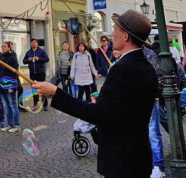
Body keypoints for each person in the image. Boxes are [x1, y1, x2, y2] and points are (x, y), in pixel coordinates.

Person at [33, 10, 158, 178]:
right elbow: (126, 107)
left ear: (126, 36)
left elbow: (99, 115)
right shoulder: (146, 67)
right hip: (139, 156)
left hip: (122, 160)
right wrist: (104, 99)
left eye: (115, 30)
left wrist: (56, 93)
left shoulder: (122, 69)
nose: (112, 34)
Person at [143, 45, 166, 178]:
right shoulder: (127, 54)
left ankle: (158, 166)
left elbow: (159, 78)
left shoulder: (149, 54)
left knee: (153, 133)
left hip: (149, 99)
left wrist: (152, 95)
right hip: (135, 100)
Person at [0, 42, 20, 132]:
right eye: (2, 46)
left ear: (9, 48)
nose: (3, 48)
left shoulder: (12, 58)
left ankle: (16, 125)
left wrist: (12, 86)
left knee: (13, 105)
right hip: (2, 85)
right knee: (6, 106)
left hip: (10, 85)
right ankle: (10, 124)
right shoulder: (1, 57)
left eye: (4, 46)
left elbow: (14, 73)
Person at [23, 39, 49, 111]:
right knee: (34, 90)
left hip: (41, 72)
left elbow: (47, 59)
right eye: (32, 43)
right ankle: (36, 105)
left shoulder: (41, 51)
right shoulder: (28, 52)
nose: (33, 44)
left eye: (34, 42)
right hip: (32, 73)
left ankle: (45, 104)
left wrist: (39, 59)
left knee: (43, 89)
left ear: (37, 44)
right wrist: (28, 60)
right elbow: (24, 61)